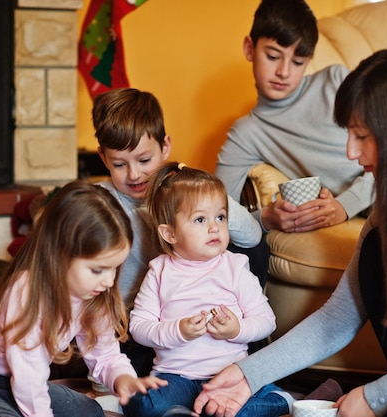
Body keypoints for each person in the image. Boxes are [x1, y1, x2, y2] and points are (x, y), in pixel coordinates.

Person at [193, 47, 387, 417]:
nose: (351, 151)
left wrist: (375, 395)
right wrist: (248, 375)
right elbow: (336, 320)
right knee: (376, 249)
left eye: (362, 135)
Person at [0, 180, 167, 417]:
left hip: (17, 380)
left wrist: (122, 377)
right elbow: (29, 378)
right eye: (98, 270)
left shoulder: (94, 294)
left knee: (91, 412)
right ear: (59, 255)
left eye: (115, 268)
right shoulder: (26, 292)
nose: (108, 281)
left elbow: (104, 353)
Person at [92, 88, 264, 376]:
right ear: (103, 158)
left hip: (199, 322)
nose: (134, 175)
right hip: (138, 328)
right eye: (120, 164)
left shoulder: (180, 191)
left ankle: (247, 349)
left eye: (144, 161)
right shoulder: (99, 204)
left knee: (251, 250)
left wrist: (202, 201)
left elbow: (252, 237)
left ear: (165, 147)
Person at [124, 162, 293, 417]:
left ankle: (281, 399)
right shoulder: (159, 271)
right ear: (169, 233)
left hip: (229, 374)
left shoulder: (235, 267)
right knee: (145, 406)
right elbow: (139, 328)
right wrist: (178, 330)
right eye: (200, 219)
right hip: (175, 377)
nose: (214, 227)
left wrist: (237, 329)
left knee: (235, 411)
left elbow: (267, 321)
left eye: (220, 217)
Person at [215, 0, 375, 234]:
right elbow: (216, 209)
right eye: (273, 56)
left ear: (308, 61)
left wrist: (345, 204)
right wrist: (266, 217)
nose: (284, 72)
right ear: (250, 49)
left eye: (298, 62)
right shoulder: (247, 133)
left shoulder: (337, 82)